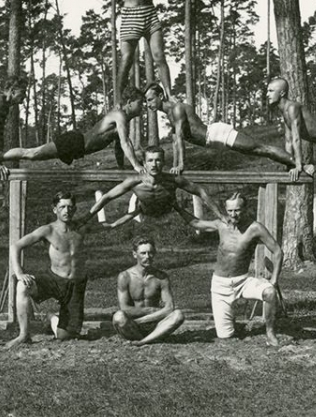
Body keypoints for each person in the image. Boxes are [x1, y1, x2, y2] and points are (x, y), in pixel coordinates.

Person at [56, 0, 222, 101]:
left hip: (149, 15)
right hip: (130, 17)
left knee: (159, 56)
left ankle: (170, 95)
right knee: (127, 59)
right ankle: (118, 99)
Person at [175, 192, 283, 346]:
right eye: (230, 210)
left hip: (243, 281)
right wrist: (178, 207)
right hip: (220, 286)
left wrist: (274, 279)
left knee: (270, 293)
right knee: (225, 336)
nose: (233, 214)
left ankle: (270, 333)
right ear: (226, 210)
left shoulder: (255, 228)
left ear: (245, 209)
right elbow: (196, 223)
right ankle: (233, 321)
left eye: (237, 210)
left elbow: (278, 251)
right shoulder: (221, 225)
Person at [144, 83, 313, 180]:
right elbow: (175, 141)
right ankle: (293, 164)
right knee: (260, 151)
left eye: (151, 99)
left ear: (160, 96)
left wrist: (179, 165)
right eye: (146, 101)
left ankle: (302, 165)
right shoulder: (170, 112)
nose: (149, 104)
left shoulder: (176, 110)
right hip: (213, 141)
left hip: (217, 135)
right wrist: (175, 165)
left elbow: (179, 139)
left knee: (261, 148)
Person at [0, 85, 146, 177]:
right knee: (32, 153)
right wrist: (137, 166)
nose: (143, 107)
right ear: (130, 101)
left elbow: (119, 146)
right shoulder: (119, 115)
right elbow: (125, 142)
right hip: (74, 142)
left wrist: (123, 167)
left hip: (77, 148)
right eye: (140, 103)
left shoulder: (123, 119)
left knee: (31, 154)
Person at [7, 191, 94, 348]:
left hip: (75, 284)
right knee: (22, 286)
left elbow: (108, 212)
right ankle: (24, 335)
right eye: (62, 207)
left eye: (70, 207)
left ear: (74, 209)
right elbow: (16, 246)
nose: (66, 211)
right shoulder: (47, 230)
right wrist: (19, 273)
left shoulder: (80, 228)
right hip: (53, 279)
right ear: (55, 209)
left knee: (65, 336)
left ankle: (52, 319)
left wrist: (135, 212)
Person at [83, 146, 226, 224]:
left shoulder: (173, 180)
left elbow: (200, 191)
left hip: (170, 216)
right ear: (144, 164)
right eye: (150, 160)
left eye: (158, 160)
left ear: (163, 163)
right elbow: (107, 197)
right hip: (143, 217)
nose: (154, 164)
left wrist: (221, 215)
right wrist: (85, 219)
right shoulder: (134, 182)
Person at [112, 236, 185, 346]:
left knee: (178, 315)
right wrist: (151, 310)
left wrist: (144, 319)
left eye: (150, 253)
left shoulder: (161, 277)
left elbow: (169, 308)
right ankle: (152, 338)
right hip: (133, 325)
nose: (148, 257)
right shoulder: (125, 276)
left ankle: (142, 342)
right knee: (118, 317)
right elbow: (125, 308)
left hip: (155, 323)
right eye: (143, 253)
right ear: (134, 254)